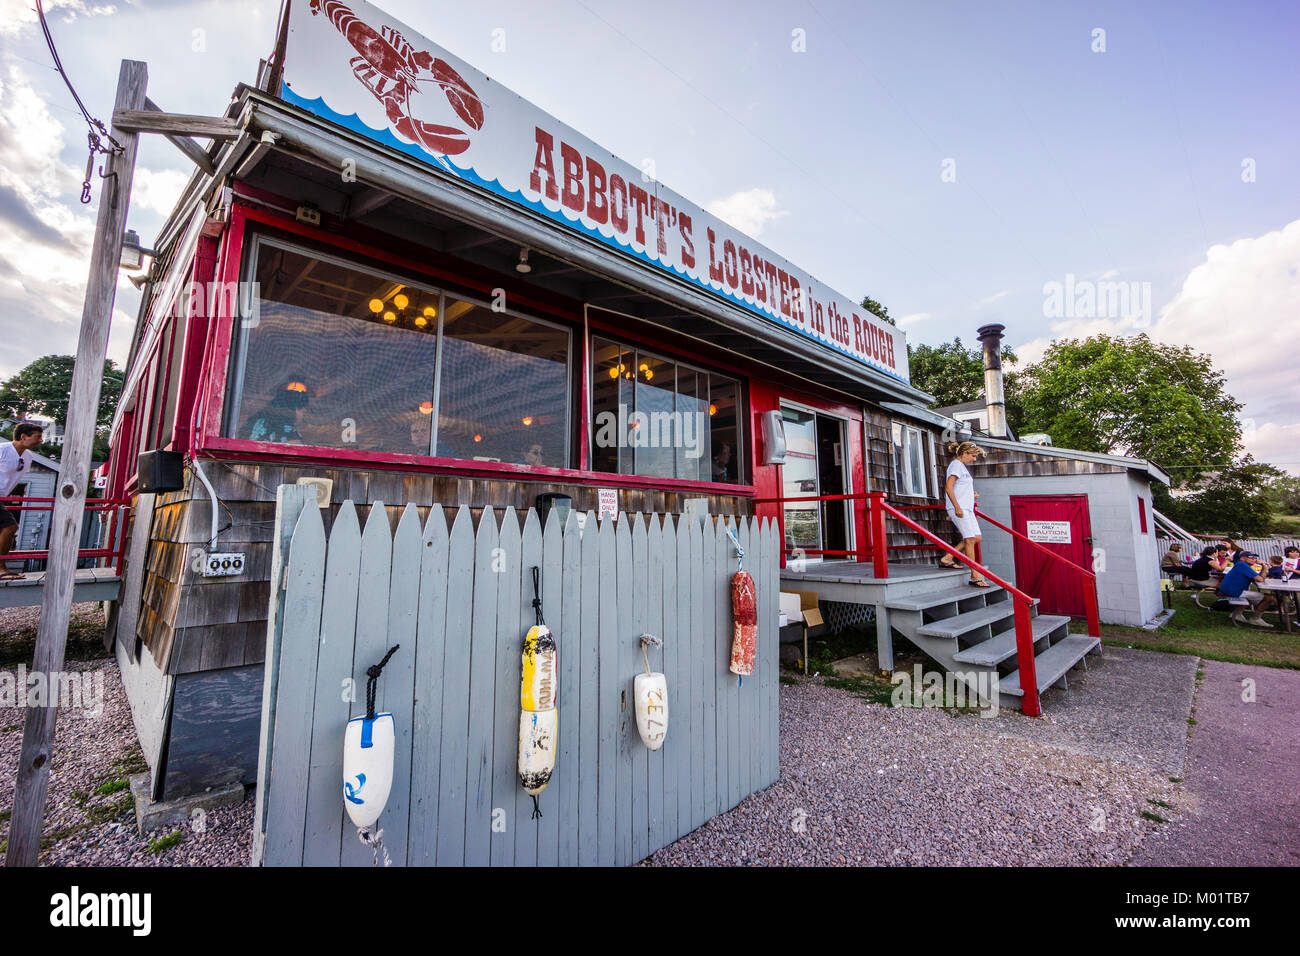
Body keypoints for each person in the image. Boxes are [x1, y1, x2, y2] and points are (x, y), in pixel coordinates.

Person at [939, 441, 988, 587]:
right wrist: (957, 507)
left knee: (977, 537)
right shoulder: (956, 465)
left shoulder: (962, 468)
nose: (974, 459)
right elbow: (948, 487)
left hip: (968, 508)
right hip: (959, 509)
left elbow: (960, 488)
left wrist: (971, 495)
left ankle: (948, 558)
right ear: (964, 453)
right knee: (969, 539)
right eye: (973, 456)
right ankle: (974, 576)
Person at [0, 422, 43, 581]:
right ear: (23, 437)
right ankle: (0, 568)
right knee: (9, 526)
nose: (41, 440)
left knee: (7, 528)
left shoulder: (27, 457)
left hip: (2, 497)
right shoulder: (2, 450)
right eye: (37, 437)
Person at [1218, 550, 1276, 627]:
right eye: (1250, 557)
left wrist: (1263, 567)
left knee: (1249, 594)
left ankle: (1237, 614)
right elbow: (1261, 579)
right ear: (1242, 558)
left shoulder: (1241, 565)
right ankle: (1255, 619)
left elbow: (1260, 578)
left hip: (1230, 589)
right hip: (1234, 591)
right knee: (1269, 598)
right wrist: (1265, 567)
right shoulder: (1242, 565)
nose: (1253, 559)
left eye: (1255, 557)